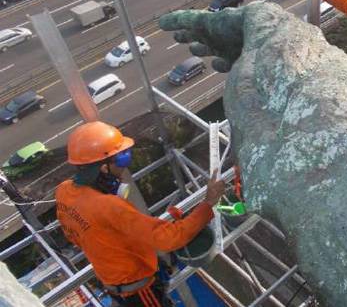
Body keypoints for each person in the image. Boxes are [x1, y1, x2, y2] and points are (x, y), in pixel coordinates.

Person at [55, 121, 225, 307]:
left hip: (114, 283)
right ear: (104, 168)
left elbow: (73, 234)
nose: (125, 166)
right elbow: (169, 239)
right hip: (138, 292)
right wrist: (208, 203)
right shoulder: (109, 206)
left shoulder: (64, 191)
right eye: (122, 159)